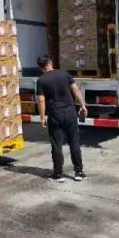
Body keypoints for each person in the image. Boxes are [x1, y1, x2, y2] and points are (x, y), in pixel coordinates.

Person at [36, 54, 87, 182]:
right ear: (51, 62)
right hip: (70, 112)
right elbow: (76, 90)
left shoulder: (41, 80)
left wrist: (42, 117)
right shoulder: (65, 74)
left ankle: (58, 174)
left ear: (41, 67)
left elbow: (41, 100)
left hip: (55, 114)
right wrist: (82, 105)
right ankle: (79, 172)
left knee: (56, 144)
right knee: (74, 142)